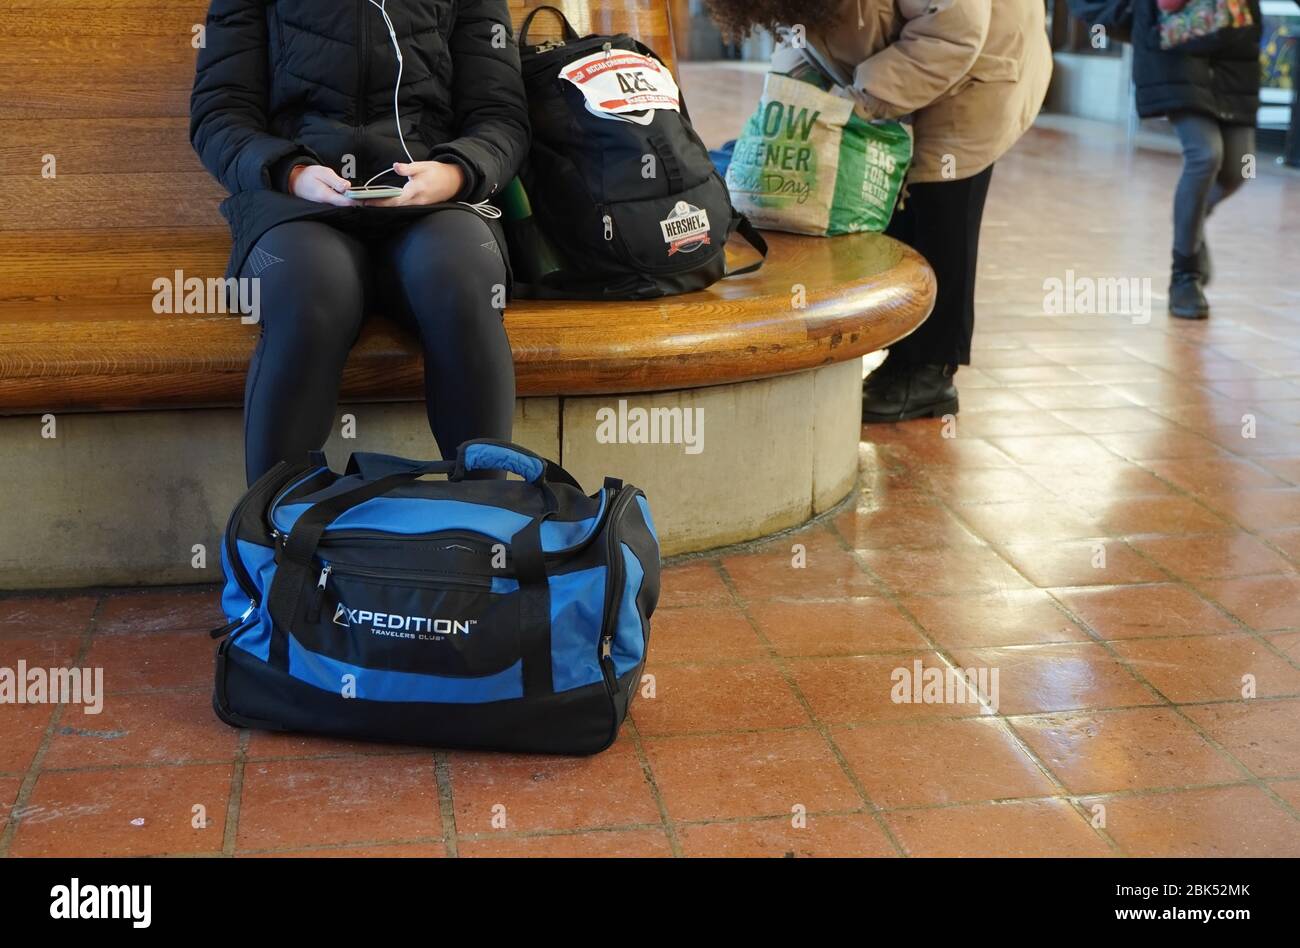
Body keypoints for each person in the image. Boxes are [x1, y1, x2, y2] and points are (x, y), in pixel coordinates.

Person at [190, 0, 529, 484]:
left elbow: (501, 117)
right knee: (313, 292)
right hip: (297, 205)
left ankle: (488, 530)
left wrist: (456, 172)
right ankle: (274, 538)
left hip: (432, 205)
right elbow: (219, 114)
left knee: (460, 279)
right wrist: (292, 172)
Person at [704, 0, 1052, 422]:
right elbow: (801, 33)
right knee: (895, 207)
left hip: (979, 68)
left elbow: (953, 32)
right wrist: (792, 94)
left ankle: (930, 373)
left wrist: (860, 98)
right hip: (913, 52)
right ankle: (902, 351)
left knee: (940, 207)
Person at [1129, 0, 1266, 319]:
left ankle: (1190, 217)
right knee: (1205, 154)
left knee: (1241, 168)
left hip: (1234, 61)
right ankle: (1184, 275)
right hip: (1177, 53)